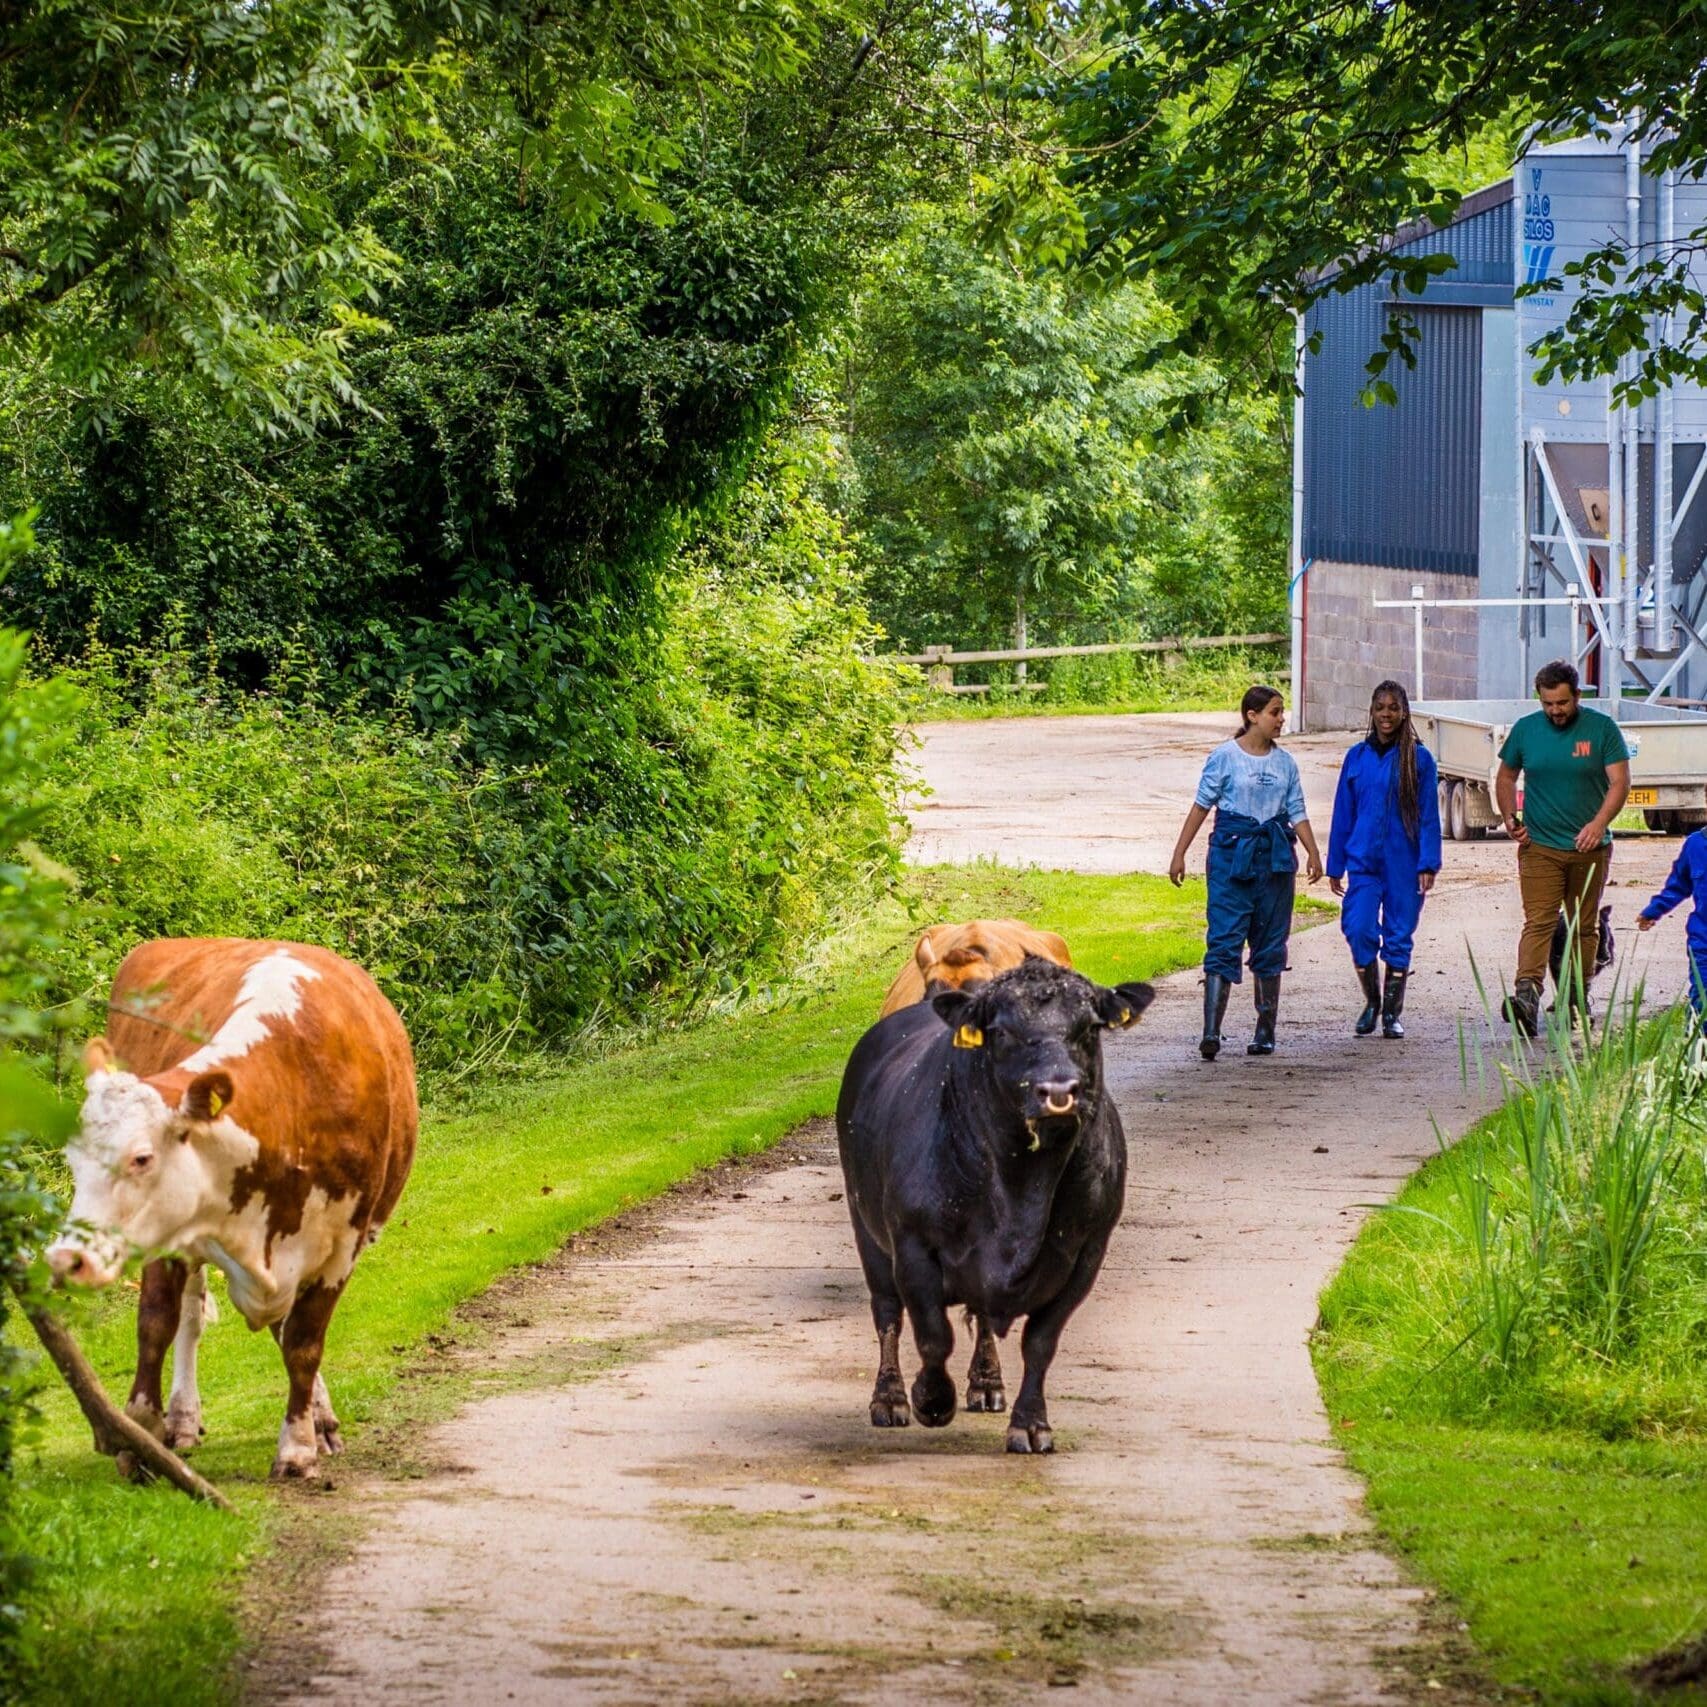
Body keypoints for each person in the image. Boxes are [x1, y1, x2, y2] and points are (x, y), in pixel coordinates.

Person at [1170, 685, 1324, 1060]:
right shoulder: (1224, 758)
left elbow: (1296, 809)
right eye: (1275, 712)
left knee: (1271, 941)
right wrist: (1180, 853)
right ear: (1252, 716)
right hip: (1230, 858)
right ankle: (1211, 1032)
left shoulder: (1285, 763)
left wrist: (1313, 851)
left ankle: (1265, 1030)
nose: (1281, 719)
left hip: (1273, 859)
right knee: (1223, 938)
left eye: (1282, 711)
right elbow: (1201, 806)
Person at [1494, 660, 1630, 1035]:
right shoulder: (1526, 730)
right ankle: (1527, 996)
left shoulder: (1602, 730)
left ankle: (1575, 994)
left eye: (1562, 703)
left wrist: (1598, 824)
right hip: (1539, 846)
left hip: (1590, 848)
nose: (1555, 711)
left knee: (1583, 926)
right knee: (1538, 922)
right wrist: (1510, 817)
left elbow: (1620, 782)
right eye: (1548, 704)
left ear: (1577, 697)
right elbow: (1506, 775)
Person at [1326, 681, 1441, 1039]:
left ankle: (1391, 1013)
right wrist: (1335, 864)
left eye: (1393, 707)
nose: (1386, 714)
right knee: (1358, 927)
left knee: (1398, 935)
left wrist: (1428, 862)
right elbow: (1342, 813)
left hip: (1404, 863)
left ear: (1404, 712)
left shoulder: (1419, 760)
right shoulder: (1356, 758)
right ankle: (1372, 1001)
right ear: (1372, 712)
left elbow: (1428, 816)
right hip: (1363, 861)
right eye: (1380, 707)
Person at [1636, 828, 1707, 1022]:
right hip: (1703, 941)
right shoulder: (1695, 844)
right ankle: (1697, 1045)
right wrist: (1654, 910)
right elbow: (1678, 884)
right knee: (1702, 999)